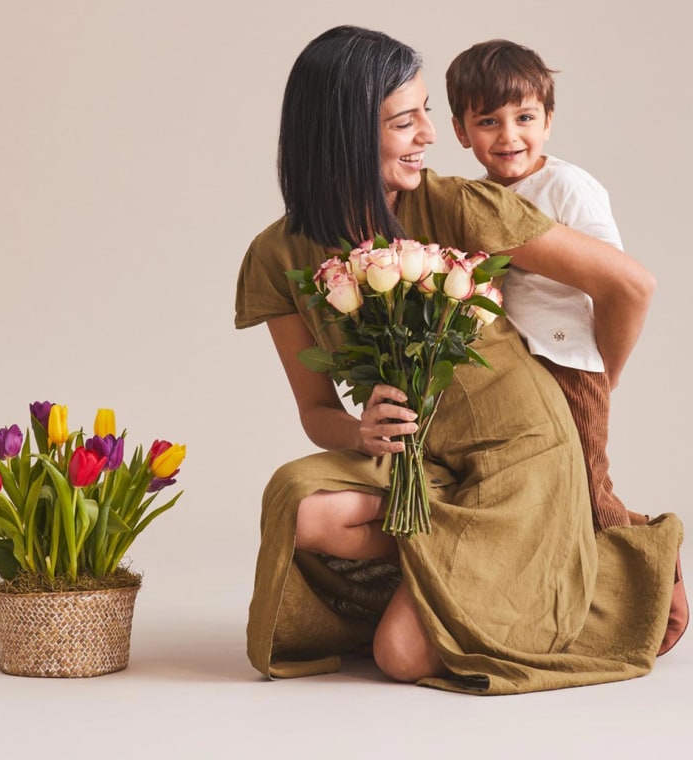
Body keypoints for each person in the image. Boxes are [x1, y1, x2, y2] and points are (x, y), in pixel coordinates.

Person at [234, 25, 682, 695]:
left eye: (424, 113)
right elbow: (315, 411)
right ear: (347, 132)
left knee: (401, 656)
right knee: (303, 508)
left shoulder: (453, 204)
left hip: (520, 452)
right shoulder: (276, 257)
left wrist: (597, 383)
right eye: (404, 119)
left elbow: (629, 284)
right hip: (421, 465)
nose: (430, 135)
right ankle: (464, 568)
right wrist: (360, 433)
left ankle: (624, 564)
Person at [445, 38, 687, 652]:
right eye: (489, 121)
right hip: (516, 367)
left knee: (586, 486)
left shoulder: (569, 189)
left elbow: (619, 283)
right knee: (546, 493)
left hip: (566, 363)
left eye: (525, 118)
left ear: (548, 120)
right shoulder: (478, 198)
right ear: (460, 130)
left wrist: (603, 374)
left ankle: (659, 578)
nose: (509, 136)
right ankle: (565, 602)